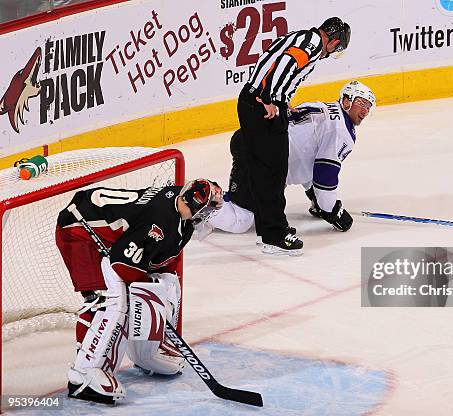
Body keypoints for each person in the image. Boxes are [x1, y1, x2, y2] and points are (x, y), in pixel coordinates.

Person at [55, 179, 223, 404]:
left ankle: (147, 353)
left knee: (168, 284)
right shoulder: (160, 221)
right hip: (78, 230)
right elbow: (122, 264)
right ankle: (83, 373)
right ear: (199, 207)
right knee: (105, 301)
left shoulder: (181, 214)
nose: (211, 213)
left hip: (112, 236)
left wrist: (156, 291)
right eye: (210, 208)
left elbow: (162, 261)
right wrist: (147, 292)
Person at [236, 17, 351, 256]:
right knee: (274, 172)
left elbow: (274, 64)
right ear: (334, 42)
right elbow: (285, 64)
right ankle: (274, 236)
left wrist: (282, 103)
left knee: (264, 171)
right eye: (336, 49)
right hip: (263, 106)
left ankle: (267, 231)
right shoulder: (313, 44)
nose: (331, 54)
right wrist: (269, 100)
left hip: (253, 102)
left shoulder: (301, 36)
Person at [209, 80, 376, 240]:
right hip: (259, 155)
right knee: (241, 219)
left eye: (368, 107)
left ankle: (200, 196)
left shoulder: (325, 109)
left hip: (259, 146)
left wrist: (314, 195)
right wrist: (332, 210)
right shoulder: (340, 131)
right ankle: (192, 200)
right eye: (361, 103)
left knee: (262, 207)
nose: (365, 111)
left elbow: (306, 155)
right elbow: (325, 176)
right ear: (346, 101)